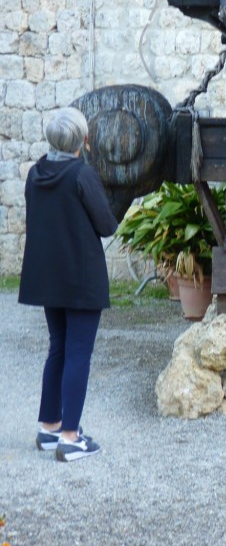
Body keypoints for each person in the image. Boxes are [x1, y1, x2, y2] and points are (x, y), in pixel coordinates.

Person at [19, 106, 119, 462]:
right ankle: (71, 437)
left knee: (58, 347)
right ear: (84, 140)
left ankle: (49, 427)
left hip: (48, 277)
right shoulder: (82, 175)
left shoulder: (34, 174)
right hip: (81, 278)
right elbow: (107, 225)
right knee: (78, 352)